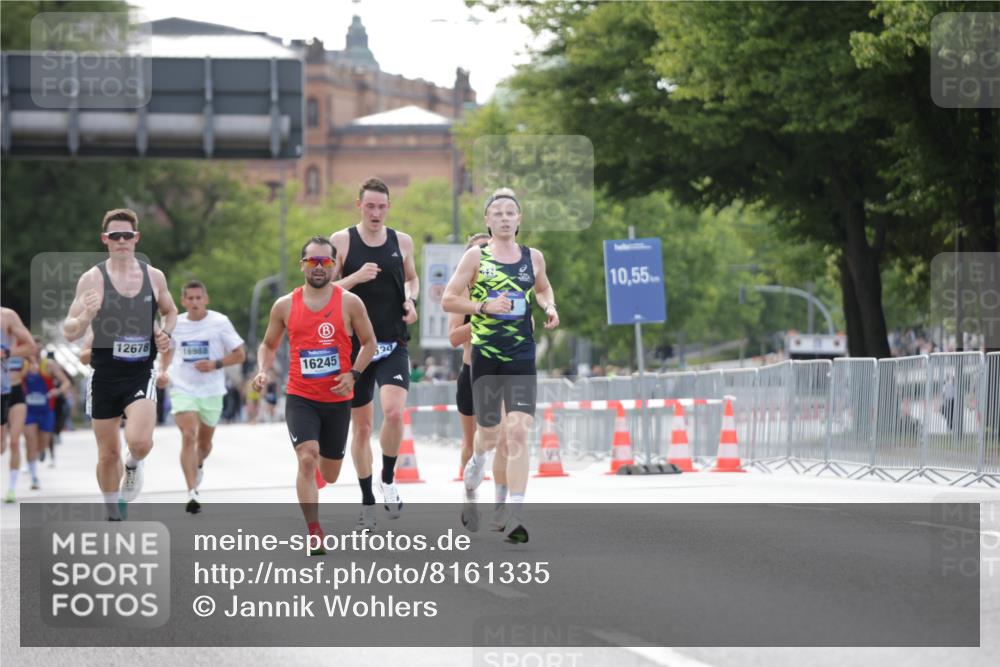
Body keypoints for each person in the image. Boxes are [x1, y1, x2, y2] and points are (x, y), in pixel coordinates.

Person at [443, 187, 559, 543]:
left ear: (519, 219)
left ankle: (514, 516)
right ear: (487, 220)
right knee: (490, 436)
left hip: (521, 355)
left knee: (519, 433)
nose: (505, 218)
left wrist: (549, 306)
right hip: (486, 356)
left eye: (511, 213)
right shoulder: (475, 258)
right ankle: (477, 461)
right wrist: (483, 308)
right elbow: (448, 299)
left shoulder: (533, 257)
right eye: (498, 213)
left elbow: (543, 288)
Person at [254, 236, 376, 553]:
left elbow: (369, 344)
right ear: (302, 265)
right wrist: (263, 370)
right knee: (307, 457)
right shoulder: (284, 305)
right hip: (301, 396)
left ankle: (319, 475)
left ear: (334, 265)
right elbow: (268, 344)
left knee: (330, 474)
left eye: (325, 261)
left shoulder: (350, 302)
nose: (319, 267)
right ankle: (314, 532)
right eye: (312, 261)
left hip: (337, 399)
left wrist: (354, 374)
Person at [62, 208, 177, 521]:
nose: (122, 240)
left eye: (127, 235)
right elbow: (69, 331)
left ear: (136, 238)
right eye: (116, 236)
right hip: (104, 376)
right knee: (107, 453)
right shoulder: (92, 279)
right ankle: (112, 508)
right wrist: (86, 315)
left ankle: (134, 464)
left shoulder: (154, 277)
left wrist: (165, 333)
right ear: (105, 239)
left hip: (140, 372)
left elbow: (170, 311)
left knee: (139, 442)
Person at [329, 177, 419, 530]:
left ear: (389, 207)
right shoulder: (342, 241)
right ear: (359, 205)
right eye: (370, 206)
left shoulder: (402, 241)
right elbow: (324, 289)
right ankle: (367, 500)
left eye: (382, 206)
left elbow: (412, 279)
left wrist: (410, 300)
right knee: (363, 428)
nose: (376, 213)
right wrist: (355, 278)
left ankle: (389, 478)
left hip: (392, 342)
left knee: (394, 413)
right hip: (355, 349)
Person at [157, 280, 246, 514]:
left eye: (199, 298)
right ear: (183, 301)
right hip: (182, 387)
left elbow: (240, 354)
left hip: (211, 391)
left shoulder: (220, 322)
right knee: (188, 435)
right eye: (190, 298)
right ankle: (191, 492)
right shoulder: (175, 324)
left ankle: (198, 464)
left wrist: (215, 364)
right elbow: (166, 351)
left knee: (204, 445)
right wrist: (163, 371)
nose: (195, 302)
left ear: (206, 299)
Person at [448, 233, 510, 530]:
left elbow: (528, 324)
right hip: (472, 372)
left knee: (504, 439)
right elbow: (453, 337)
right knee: (472, 444)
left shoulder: (508, 289)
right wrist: (483, 315)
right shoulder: (461, 295)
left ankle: (500, 508)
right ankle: (470, 499)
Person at [2, 307, 38, 503]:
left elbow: (32, 356)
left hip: (15, 393)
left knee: (15, 441)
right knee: (1, 446)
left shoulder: (19, 344)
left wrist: (8, 353)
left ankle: (12, 488)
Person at [22, 348, 71, 482]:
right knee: (30, 440)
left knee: (43, 442)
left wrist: (57, 391)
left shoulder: (48, 365)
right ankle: (33, 476)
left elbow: (66, 382)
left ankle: (41, 451)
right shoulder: (23, 365)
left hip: (46, 410)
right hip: (29, 411)